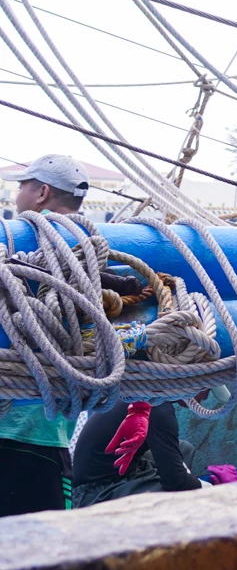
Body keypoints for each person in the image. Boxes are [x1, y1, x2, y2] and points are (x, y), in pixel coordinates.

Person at [0, 155, 92, 516]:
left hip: (28, 435)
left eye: (23, 185)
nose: (17, 193)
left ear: (42, 192)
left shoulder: (22, 244)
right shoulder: (91, 258)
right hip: (44, 439)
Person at [69, 401, 200, 507]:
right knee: (177, 495)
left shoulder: (148, 397)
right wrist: (209, 487)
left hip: (130, 468)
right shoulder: (158, 408)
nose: (205, 396)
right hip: (95, 491)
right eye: (208, 389)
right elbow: (177, 483)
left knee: (184, 449)